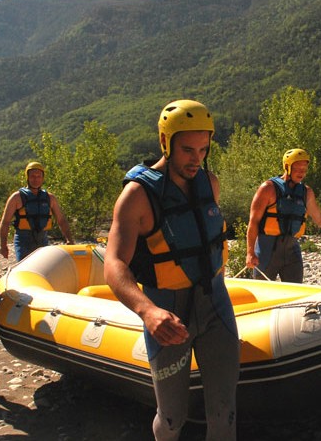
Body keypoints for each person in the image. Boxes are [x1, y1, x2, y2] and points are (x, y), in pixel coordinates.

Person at [103, 100, 238, 440]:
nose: (196, 158)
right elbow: (114, 263)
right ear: (165, 142)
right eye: (187, 149)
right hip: (167, 312)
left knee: (225, 414)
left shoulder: (211, 183)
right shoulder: (137, 196)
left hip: (215, 306)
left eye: (203, 149)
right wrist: (147, 311)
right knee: (173, 417)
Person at [245, 148, 321, 283]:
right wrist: (250, 253)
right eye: (298, 168)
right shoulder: (268, 188)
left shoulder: (306, 192)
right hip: (267, 250)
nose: (302, 172)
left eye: (304, 169)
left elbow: (318, 217)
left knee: (296, 291)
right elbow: (253, 222)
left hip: (291, 251)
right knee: (263, 291)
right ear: (287, 167)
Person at [0, 161, 74, 261]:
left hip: (43, 239)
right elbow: (5, 222)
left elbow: (61, 220)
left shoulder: (50, 198)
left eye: (39, 176)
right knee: (25, 269)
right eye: (33, 176)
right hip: (23, 240)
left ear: (42, 178)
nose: (36, 179)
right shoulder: (16, 197)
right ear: (27, 177)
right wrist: (3, 246)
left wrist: (69, 239)